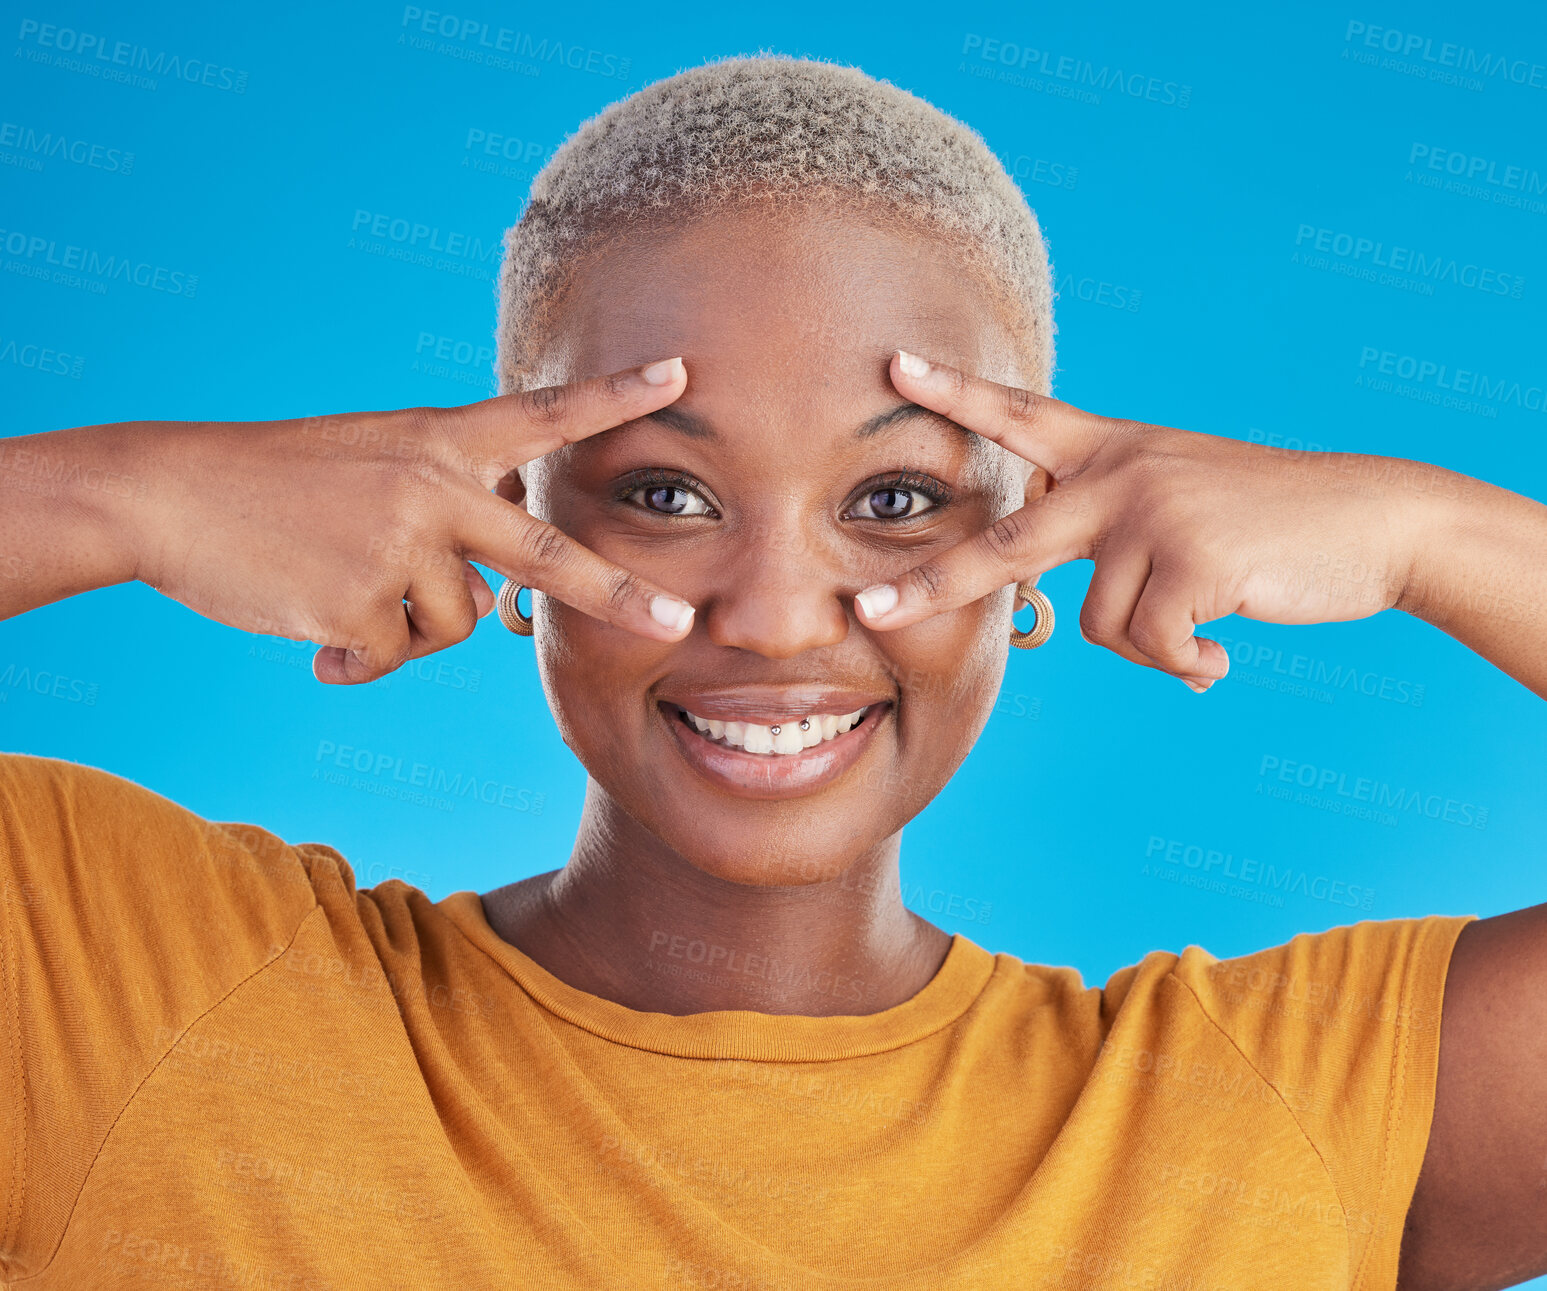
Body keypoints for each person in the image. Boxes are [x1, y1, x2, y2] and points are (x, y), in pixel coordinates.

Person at [2, 52, 1544, 1291]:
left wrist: (1429, 530)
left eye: (897, 503)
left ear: (1030, 550)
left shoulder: (1284, 1114)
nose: (782, 616)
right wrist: (112, 496)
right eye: (664, 495)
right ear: (513, 526)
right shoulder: (135, 990)